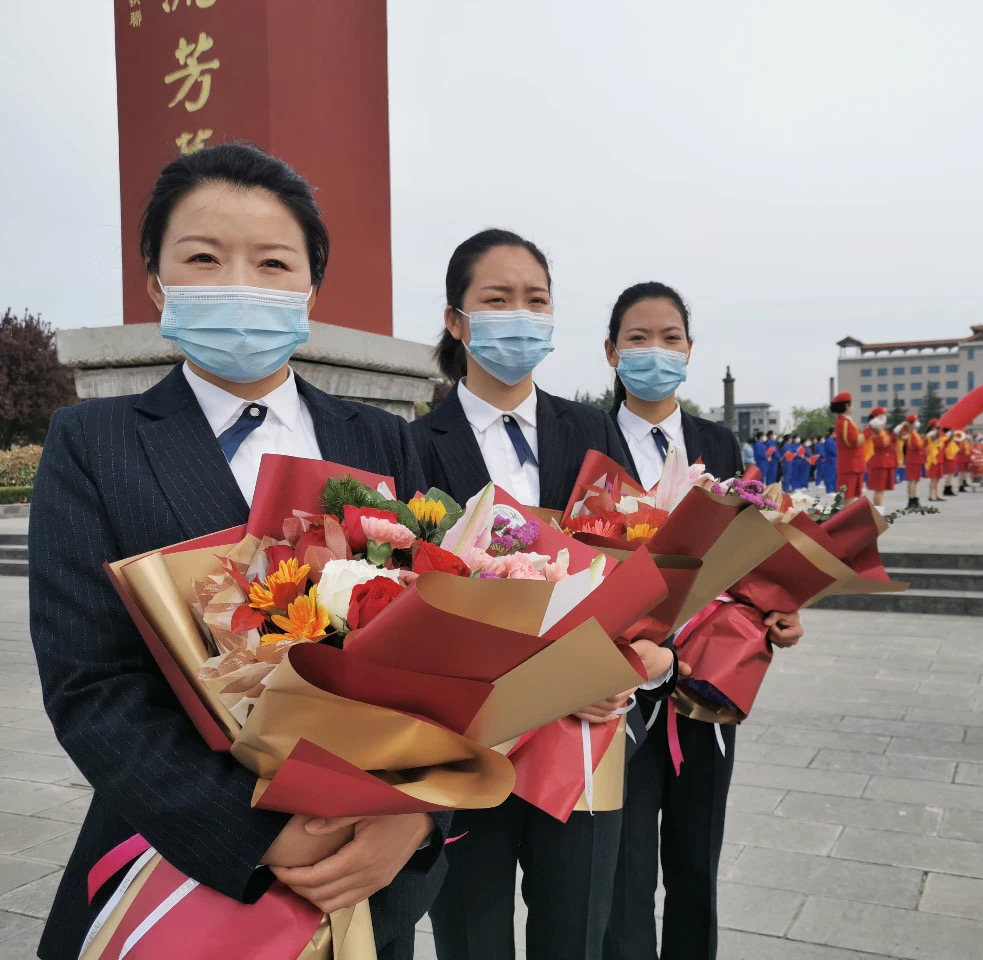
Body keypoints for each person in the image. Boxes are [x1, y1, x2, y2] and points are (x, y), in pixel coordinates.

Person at [27, 144, 446, 960]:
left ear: (310, 288)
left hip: (374, 871)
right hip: (179, 867)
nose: (240, 285)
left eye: (273, 262)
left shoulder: (386, 442)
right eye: (205, 259)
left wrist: (418, 814)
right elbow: (91, 683)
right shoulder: (92, 444)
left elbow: (453, 657)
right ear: (156, 283)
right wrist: (254, 836)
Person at [411, 230, 671, 960]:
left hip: (584, 738)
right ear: (457, 320)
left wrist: (626, 661)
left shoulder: (594, 429)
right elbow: (399, 595)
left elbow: (640, 568)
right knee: (472, 937)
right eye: (496, 300)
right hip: (466, 742)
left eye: (536, 300)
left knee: (577, 935)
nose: (519, 315)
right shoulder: (411, 444)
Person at [599, 281, 803, 960]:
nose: (655, 351)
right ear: (611, 352)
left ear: (690, 352)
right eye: (638, 338)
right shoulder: (589, 444)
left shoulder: (719, 442)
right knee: (623, 868)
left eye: (670, 338)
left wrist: (780, 611)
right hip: (618, 693)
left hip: (707, 685)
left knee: (696, 860)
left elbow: (751, 560)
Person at [831, 393, 865, 498]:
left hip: (852, 464)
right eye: (851, 404)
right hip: (850, 465)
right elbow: (853, 442)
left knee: (850, 497)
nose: (852, 407)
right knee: (848, 498)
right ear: (846, 406)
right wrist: (867, 432)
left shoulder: (845, 421)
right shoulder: (845, 422)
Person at [863, 405, 896, 508]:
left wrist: (895, 434)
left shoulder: (883, 430)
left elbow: (889, 443)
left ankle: (879, 514)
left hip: (885, 462)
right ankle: (878, 515)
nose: (885, 417)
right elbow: (881, 444)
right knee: (879, 490)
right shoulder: (871, 429)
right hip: (878, 463)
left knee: (881, 491)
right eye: (882, 415)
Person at [896, 413, 926, 508]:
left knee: (914, 481)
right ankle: (912, 500)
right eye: (916, 421)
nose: (918, 422)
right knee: (913, 481)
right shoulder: (910, 433)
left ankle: (914, 500)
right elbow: (916, 446)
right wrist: (926, 442)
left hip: (915, 459)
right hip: (913, 459)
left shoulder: (913, 432)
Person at [924, 419, 945, 501]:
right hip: (933, 458)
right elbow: (936, 444)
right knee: (933, 478)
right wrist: (942, 441)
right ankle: (932, 495)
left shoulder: (936, 434)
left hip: (938, 457)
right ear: (933, 426)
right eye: (937, 424)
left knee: (938, 478)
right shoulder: (931, 434)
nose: (938, 426)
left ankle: (937, 494)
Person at [822, 427, 838, 493]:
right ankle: (829, 490)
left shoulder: (833, 440)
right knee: (830, 474)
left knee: (835, 474)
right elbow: (833, 451)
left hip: (835, 459)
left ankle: (835, 489)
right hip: (830, 459)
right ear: (833, 433)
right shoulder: (828, 441)